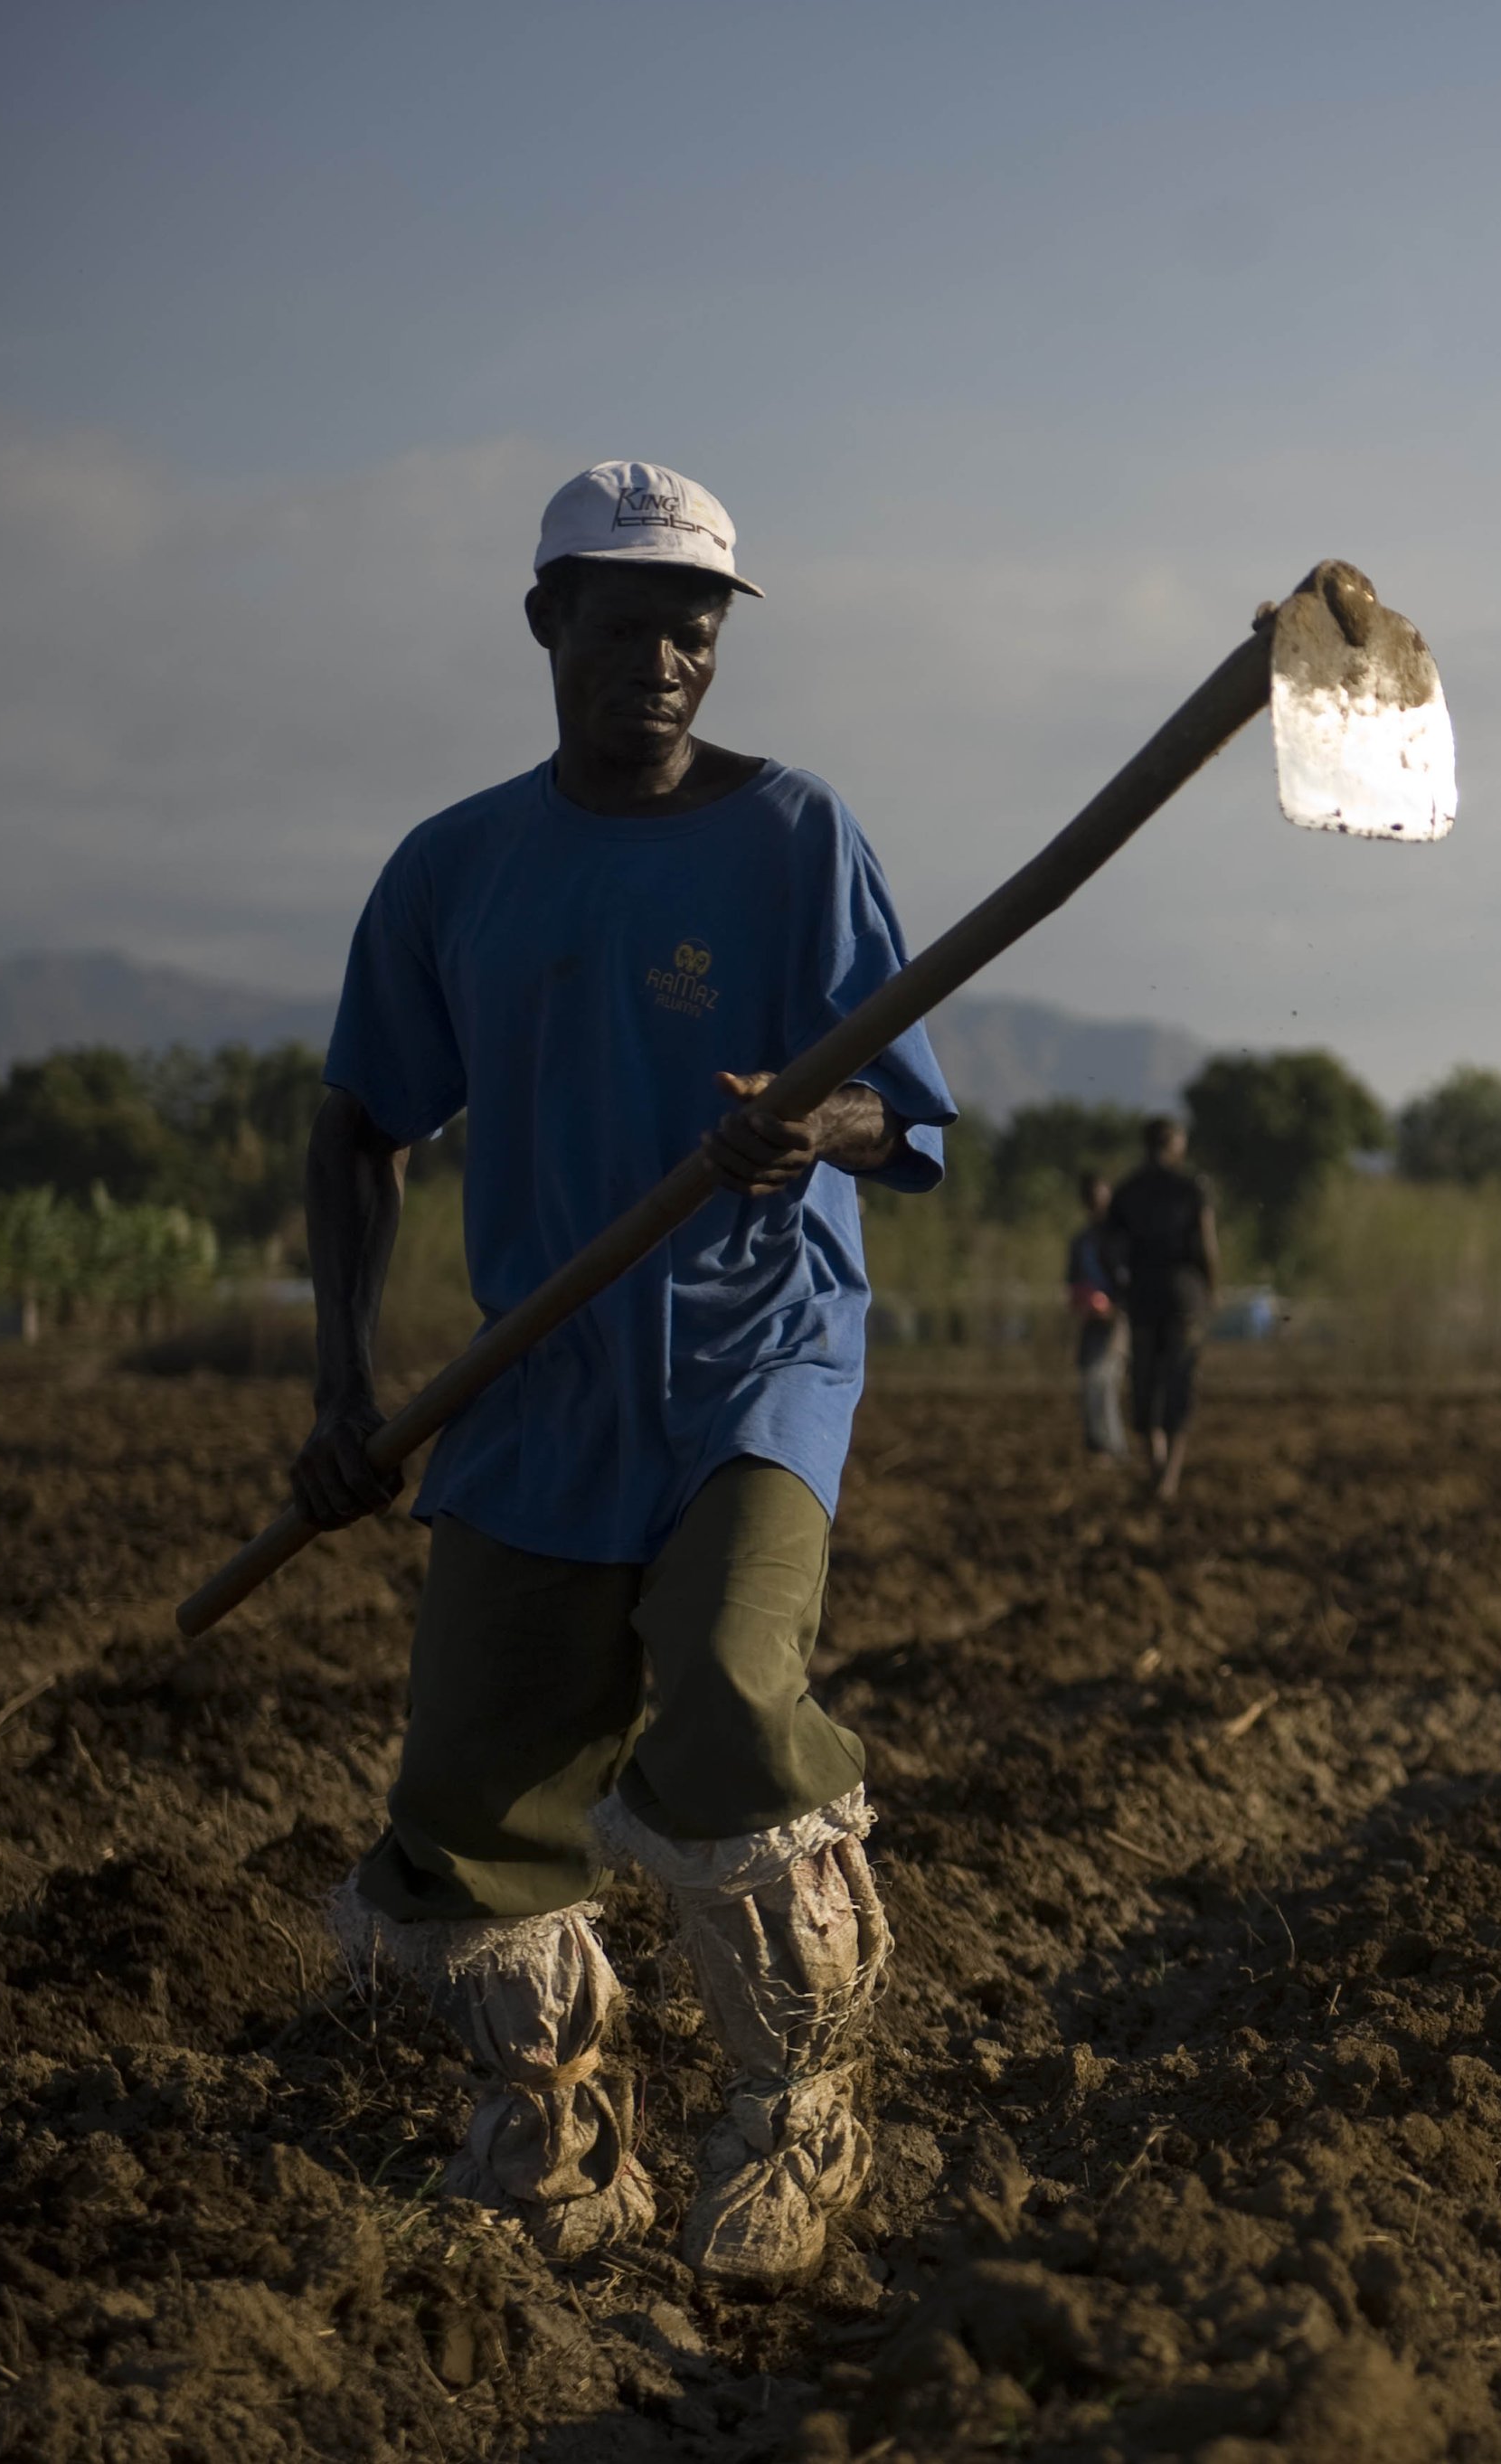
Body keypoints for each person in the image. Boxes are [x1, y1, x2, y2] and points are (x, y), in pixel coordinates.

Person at [288, 461, 957, 2287]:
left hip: (754, 1352)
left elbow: (902, 1114)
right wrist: (345, 1393)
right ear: (546, 624)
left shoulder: (798, 837)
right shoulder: (458, 866)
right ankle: (558, 2128)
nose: (665, 653)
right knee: (468, 1802)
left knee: (734, 1697)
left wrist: (805, 1122)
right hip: (540, 1378)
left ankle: (800, 2108)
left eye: (697, 623)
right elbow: (359, 1125)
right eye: (628, 617)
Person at [1106, 1115, 1220, 1501]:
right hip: (1184, 1299)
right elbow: (1207, 1247)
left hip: (1142, 1299)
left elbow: (1110, 1250)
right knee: (1179, 1384)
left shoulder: (1127, 1191)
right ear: (1175, 1145)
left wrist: (1119, 1290)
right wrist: (1211, 1290)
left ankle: (1155, 1461)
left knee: (1145, 1383)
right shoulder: (1191, 1189)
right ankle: (1170, 1478)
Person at [1065, 1173, 1129, 1460]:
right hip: (1091, 1321)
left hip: (1117, 1320)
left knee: (1105, 1383)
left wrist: (1117, 1312)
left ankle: (1113, 1448)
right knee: (1090, 1382)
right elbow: (1072, 1282)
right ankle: (1098, 1445)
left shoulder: (1122, 1239)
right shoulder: (1081, 1241)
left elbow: (1130, 1283)